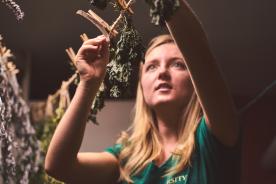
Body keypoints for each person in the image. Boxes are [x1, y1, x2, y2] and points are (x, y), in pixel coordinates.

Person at [45, 0, 240, 183]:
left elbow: (197, 50)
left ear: (195, 81)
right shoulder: (127, 159)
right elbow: (59, 166)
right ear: (142, 86)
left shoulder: (214, 137)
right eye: (152, 67)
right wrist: (88, 83)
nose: (162, 71)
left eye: (178, 65)